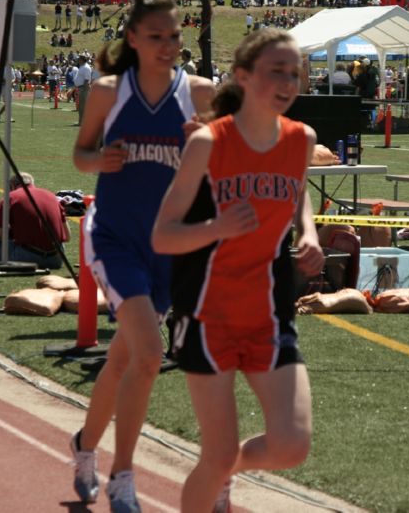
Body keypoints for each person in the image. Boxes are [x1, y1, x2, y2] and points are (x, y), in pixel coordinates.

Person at [152, 28, 323, 513]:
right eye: (276, 71)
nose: (289, 81)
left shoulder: (302, 139)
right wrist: (216, 226)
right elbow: (163, 235)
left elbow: (297, 192)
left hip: (268, 314)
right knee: (218, 452)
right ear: (243, 77)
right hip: (206, 314)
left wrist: (307, 232)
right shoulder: (208, 143)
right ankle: (219, 470)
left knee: (292, 446)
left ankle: (225, 472)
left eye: (295, 72)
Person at [69, 0, 215, 511]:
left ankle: (85, 445)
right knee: (151, 356)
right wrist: (99, 158)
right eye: (156, 36)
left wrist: (209, 141)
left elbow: (229, 154)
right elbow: (80, 155)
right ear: (132, 38)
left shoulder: (200, 94)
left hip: (168, 248)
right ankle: (122, 477)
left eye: (174, 35)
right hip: (114, 238)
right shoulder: (110, 92)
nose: (168, 45)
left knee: (124, 361)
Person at [0, 172, 70, 270]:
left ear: (12, 185)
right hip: (56, 259)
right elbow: (67, 236)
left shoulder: (11, 197)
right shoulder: (52, 196)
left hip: (26, 258)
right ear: (32, 183)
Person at [74, 54, 98, 125]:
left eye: (79, 59)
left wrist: (83, 89)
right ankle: (81, 121)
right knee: (81, 106)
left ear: (82, 59)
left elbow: (87, 80)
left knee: (83, 106)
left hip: (83, 88)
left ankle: (83, 122)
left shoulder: (86, 67)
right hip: (81, 88)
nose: (78, 60)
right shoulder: (82, 67)